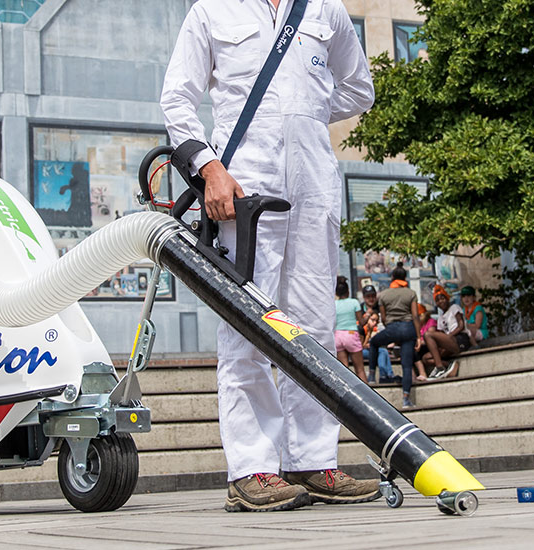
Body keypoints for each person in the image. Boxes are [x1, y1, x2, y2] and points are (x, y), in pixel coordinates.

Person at [161, 0, 377, 512]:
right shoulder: (211, 11)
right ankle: (252, 469)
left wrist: (305, 111)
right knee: (247, 330)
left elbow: (359, 87)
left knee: (315, 328)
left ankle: (312, 459)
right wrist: (209, 168)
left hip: (313, 187)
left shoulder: (327, 9)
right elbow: (178, 98)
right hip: (242, 189)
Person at [368, 267, 421, 406]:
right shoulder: (411, 293)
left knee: (374, 343)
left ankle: (372, 376)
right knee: (407, 365)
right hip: (409, 329)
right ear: (405, 278)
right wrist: (419, 336)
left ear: (392, 278)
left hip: (392, 328)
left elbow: (383, 318)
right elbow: (415, 315)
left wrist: (392, 331)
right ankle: (406, 399)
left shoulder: (384, 295)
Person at [418, 286, 466, 380]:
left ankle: (440, 368)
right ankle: (448, 366)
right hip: (448, 342)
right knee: (425, 358)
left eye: (442, 298)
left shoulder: (454, 308)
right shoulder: (440, 318)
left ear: (447, 298)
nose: (441, 301)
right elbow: (441, 334)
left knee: (427, 334)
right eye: (438, 300)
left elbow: (461, 326)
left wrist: (449, 336)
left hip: (459, 339)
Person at [332, 276, 368, 383]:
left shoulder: (334, 304)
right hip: (351, 334)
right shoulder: (354, 302)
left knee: (344, 371)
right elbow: (361, 322)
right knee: (360, 370)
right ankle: (367, 397)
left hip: (337, 336)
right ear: (348, 291)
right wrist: (368, 316)